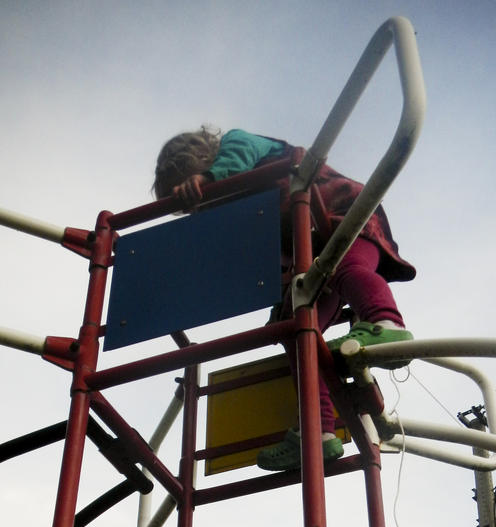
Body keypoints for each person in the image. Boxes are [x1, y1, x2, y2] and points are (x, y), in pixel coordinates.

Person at [153, 127, 416, 471]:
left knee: (347, 266)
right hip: (312, 253)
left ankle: (385, 322)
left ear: (197, 160)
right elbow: (270, 252)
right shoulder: (246, 208)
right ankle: (319, 431)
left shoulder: (237, 145)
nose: (199, 206)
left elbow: (235, 161)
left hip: (342, 216)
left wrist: (209, 178)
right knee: (295, 329)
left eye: (194, 196)